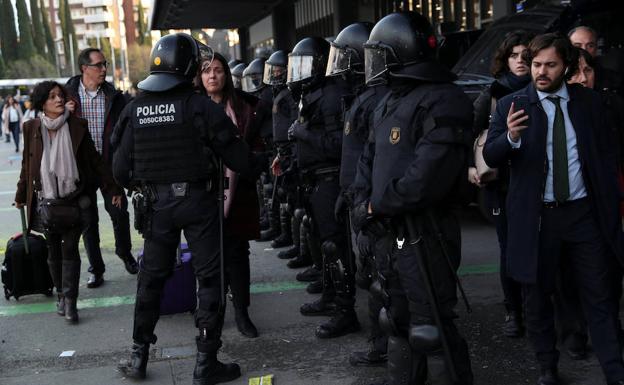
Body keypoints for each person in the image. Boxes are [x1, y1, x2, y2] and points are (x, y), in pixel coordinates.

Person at [114, 34, 259, 383]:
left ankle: (138, 358)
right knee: (209, 279)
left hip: (156, 208)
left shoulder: (135, 108)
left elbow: (119, 169)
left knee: (150, 280)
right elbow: (239, 159)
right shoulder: (200, 107)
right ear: (191, 67)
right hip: (198, 204)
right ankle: (205, 363)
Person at [483, 33, 624, 385]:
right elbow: (490, 156)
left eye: (550, 65)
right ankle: (547, 365)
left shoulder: (590, 104)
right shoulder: (512, 105)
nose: (541, 72)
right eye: (536, 65)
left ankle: (615, 371)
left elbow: (606, 157)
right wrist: (511, 138)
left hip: (582, 215)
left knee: (599, 294)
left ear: (567, 67)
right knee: (538, 295)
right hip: (538, 218)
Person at [351, 11, 474, 384]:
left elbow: (426, 179)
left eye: (380, 54)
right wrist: (361, 203)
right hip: (388, 234)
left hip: (426, 235)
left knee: (430, 327)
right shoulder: (389, 99)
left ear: (400, 53)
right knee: (397, 320)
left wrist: (377, 204)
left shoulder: (444, 101)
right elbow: (367, 159)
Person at [14, 81, 122, 324]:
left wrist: (113, 187)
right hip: (46, 201)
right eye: (52, 97)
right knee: (53, 251)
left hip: (74, 199)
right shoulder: (32, 128)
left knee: (70, 249)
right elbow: (27, 167)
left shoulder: (76, 125)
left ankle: (71, 302)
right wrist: (21, 196)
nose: (59, 100)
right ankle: (61, 295)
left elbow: (95, 160)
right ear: (43, 103)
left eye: (60, 95)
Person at [327, 21, 391, 367]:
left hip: (369, 205)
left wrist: (360, 201)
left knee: (379, 279)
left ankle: (381, 347)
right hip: (357, 197)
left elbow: (373, 159)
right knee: (370, 274)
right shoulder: (362, 98)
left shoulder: (376, 100)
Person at [287, 36, 359, 339]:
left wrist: (303, 133)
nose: (299, 71)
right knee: (324, 245)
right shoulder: (314, 93)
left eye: (304, 63)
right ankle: (331, 297)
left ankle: (346, 311)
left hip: (330, 180)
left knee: (335, 246)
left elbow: (339, 145)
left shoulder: (332, 96)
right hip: (315, 180)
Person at [194, 51, 266, 339]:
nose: (213, 75)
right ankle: (211, 311)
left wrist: (252, 164)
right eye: (206, 71)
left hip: (239, 192)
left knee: (237, 255)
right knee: (208, 258)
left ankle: (242, 312)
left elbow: (258, 147)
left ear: (227, 75)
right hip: (202, 195)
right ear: (199, 77)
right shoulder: (194, 108)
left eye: (218, 70)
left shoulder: (245, 108)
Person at [469, 30, 533, 338]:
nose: (520, 61)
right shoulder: (494, 92)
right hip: (503, 183)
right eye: (514, 55)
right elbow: (469, 133)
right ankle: (513, 311)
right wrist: (470, 166)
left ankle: (539, 309)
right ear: (504, 60)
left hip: (535, 181)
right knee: (508, 249)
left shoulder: (543, 89)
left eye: (526, 55)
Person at [65, 48, 138, 289]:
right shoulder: (67, 97)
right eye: (99, 65)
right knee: (88, 221)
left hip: (109, 167)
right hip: (82, 171)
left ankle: (124, 253)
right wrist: (66, 114)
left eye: (104, 64)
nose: (104, 69)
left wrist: (120, 174)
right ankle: (96, 269)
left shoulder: (113, 96)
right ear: (84, 68)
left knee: (119, 212)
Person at [568, 25, 622, 94]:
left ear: (596, 48)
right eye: (577, 46)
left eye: (590, 46)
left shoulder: (613, 80)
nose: (584, 50)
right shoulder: (559, 76)